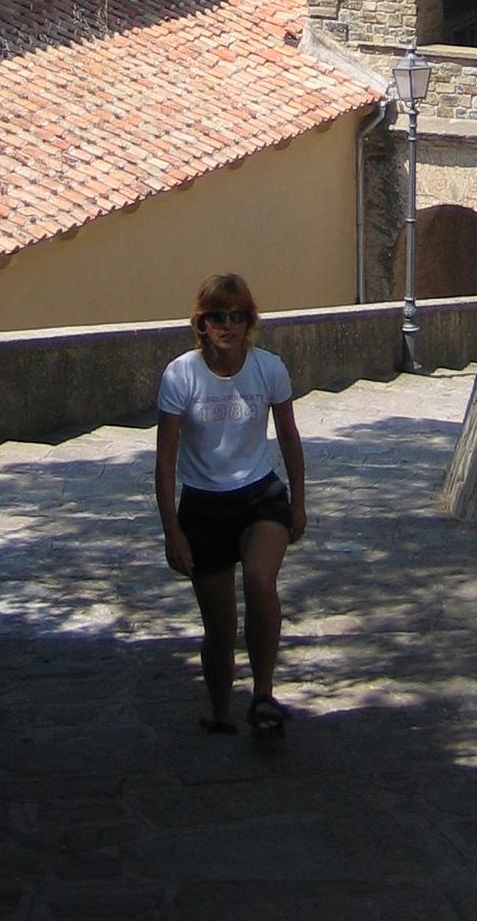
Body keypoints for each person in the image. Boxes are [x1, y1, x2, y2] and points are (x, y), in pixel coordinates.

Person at [155, 273, 306, 738]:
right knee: (219, 626)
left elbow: (289, 437)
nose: (227, 325)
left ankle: (263, 695)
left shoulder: (269, 369)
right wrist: (172, 533)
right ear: (201, 323)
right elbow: (165, 463)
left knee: (261, 581)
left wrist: (298, 502)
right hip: (203, 505)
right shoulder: (181, 376)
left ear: (249, 321)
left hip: (260, 493)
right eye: (217, 316)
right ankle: (220, 710)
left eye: (237, 316)